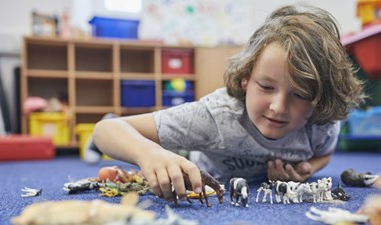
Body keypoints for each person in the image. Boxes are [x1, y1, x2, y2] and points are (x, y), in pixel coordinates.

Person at [92, 4, 366, 202]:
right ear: (246, 78)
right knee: (165, 153)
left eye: (301, 94)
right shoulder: (214, 117)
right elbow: (107, 131)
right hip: (197, 159)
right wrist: (149, 154)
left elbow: (324, 154)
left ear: (320, 98)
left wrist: (306, 171)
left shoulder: (321, 122)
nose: (278, 107)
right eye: (267, 87)